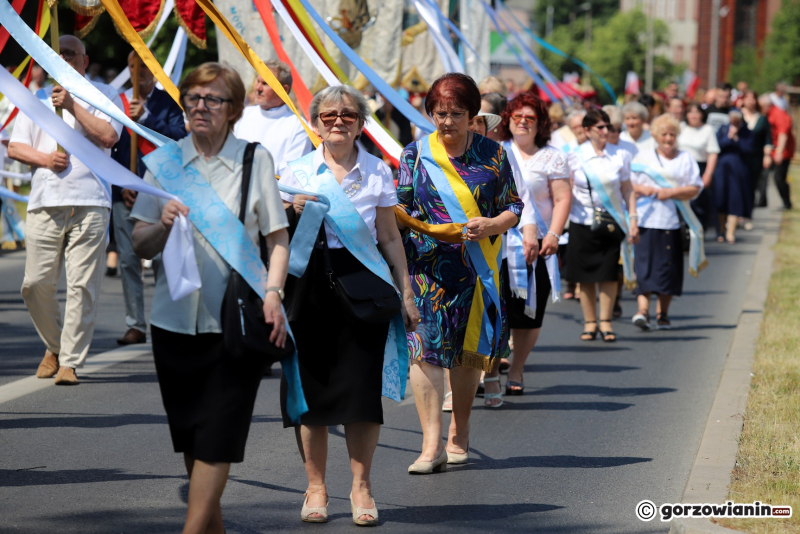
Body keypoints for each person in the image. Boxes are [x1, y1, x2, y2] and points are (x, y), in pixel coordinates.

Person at [131, 62, 291, 534]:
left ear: (234, 110)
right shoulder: (161, 164)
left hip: (235, 324)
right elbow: (138, 241)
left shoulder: (253, 160)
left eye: (213, 100)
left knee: (219, 435)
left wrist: (273, 292)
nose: (201, 107)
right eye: (193, 99)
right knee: (191, 435)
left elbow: (278, 237)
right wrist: (158, 225)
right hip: (172, 322)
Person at [277, 85, 418, 525]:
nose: (338, 121)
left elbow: (390, 236)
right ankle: (315, 486)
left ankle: (362, 488)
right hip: (307, 284)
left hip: (363, 284)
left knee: (360, 392)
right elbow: (275, 237)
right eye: (329, 115)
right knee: (310, 392)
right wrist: (291, 209)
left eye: (349, 115)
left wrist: (406, 291)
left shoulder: (378, 171)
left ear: (361, 123)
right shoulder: (294, 172)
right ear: (315, 120)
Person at [398, 73, 522, 472]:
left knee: (467, 357)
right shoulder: (414, 155)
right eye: (439, 113)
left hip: (476, 271)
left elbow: (514, 208)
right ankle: (431, 445)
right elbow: (399, 209)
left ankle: (460, 431)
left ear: (473, 114)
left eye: (456, 113)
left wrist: (491, 224)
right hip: (425, 271)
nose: (447, 121)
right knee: (425, 353)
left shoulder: (494, 154)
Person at [8, 35, 123, 385]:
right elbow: (15, 146)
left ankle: (70, 361)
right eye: (56, 54)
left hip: (91, 201)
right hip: (45, 200)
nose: (63, 58)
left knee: (82, 286)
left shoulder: (107, 95)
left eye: (70, 54)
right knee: (34, 284)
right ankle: (55, 346)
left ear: (85, 61)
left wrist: (73, 106)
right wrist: (45, 158)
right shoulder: (35, 98)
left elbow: (108, 136)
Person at [496, 92, 571, 396]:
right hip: (499, 243)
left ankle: (517, 368)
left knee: (530, 312)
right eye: (518, 117)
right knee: (496, 308)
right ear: (508, 121)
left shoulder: (553, 156)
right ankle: (490, 368)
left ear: (540, 124)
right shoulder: (496, 151)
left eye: (530, 118)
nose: (523, 123)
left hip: (537, 244)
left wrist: (553, 234)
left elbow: (563, 198)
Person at [110, 50, 187, 346]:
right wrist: (122, 184)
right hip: (125, 192)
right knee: (129, 260)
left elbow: (179, 138)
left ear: (153, 71)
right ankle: (135, 324)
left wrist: (149, 118)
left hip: (158, 191)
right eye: (131, 66)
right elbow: (110, 145)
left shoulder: (168, 102)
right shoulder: (118, 102)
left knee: (159, 260)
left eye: (142, 67)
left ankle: (163, 320)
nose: (137, 72)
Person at [565, 109, 639, 342]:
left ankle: (606, 321)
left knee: (608, 273)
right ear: (587, 131)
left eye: (608, 126)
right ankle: (590, 322)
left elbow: (628, 190)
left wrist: (633, 219)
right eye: (600, 127)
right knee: (584, 276)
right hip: (581, 221)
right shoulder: (574, 155)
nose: (606, 131)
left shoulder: (620, 155)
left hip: (611, 222)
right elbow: (566, 191)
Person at [630, 115, 704, 330]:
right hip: (645, 220)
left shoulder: (685, 158)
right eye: (664, 134)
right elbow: (628, 186)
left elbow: (695, 187)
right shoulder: (642, 157)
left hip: (672, 221)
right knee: (643, 266)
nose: (668, 138)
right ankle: (642, 310)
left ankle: (663, 314)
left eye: (672, 134)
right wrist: (643, 189)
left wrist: (671, 192)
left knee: (667, 269)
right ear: (655, 135)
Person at [233, 60, 314, 171]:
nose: (258, 88)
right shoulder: (242, 114)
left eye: (265, 83)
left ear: (284, 90)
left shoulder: (298, 127)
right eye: (257, 81)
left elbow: (292, 171)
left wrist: (249, 165)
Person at [677, 103, 719, 232]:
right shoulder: (681, 128)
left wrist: (708, 174)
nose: (694, 115)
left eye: (697, 112)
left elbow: (713, 153)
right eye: (690, 112)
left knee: (699, 204)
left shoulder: (707, 129)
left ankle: (699, 231)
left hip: (699, 167)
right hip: (680, 169)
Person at [714, 110, 753, 243]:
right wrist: (729, 137)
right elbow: (716, 146)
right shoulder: (723, 130)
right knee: (720, 199)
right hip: (722, 170)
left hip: (738, 171)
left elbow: (749, 150)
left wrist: (737, 139)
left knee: (735, 200)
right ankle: (720, 230)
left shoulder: (746, 132)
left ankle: (731, 232)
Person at [740, 91, 772, 223]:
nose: (750, 101)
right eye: (747, 98)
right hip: (740, 156)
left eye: (752, 98)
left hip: (755, 157)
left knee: (751, 186)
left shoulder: (762, 118)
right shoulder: (737, 115)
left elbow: (768, 139)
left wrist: (767, 156)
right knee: (738, 186)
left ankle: (748, 216)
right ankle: (736, 216)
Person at [759, 94, 795, 210]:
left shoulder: (778, 114)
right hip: (775, 151)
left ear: (766, 105)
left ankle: (787, 203)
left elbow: (783, 134)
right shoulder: (770, 114)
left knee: (778, 178)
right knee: (765, 175)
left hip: (782, 152)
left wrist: (779, 152)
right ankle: (762, 200)